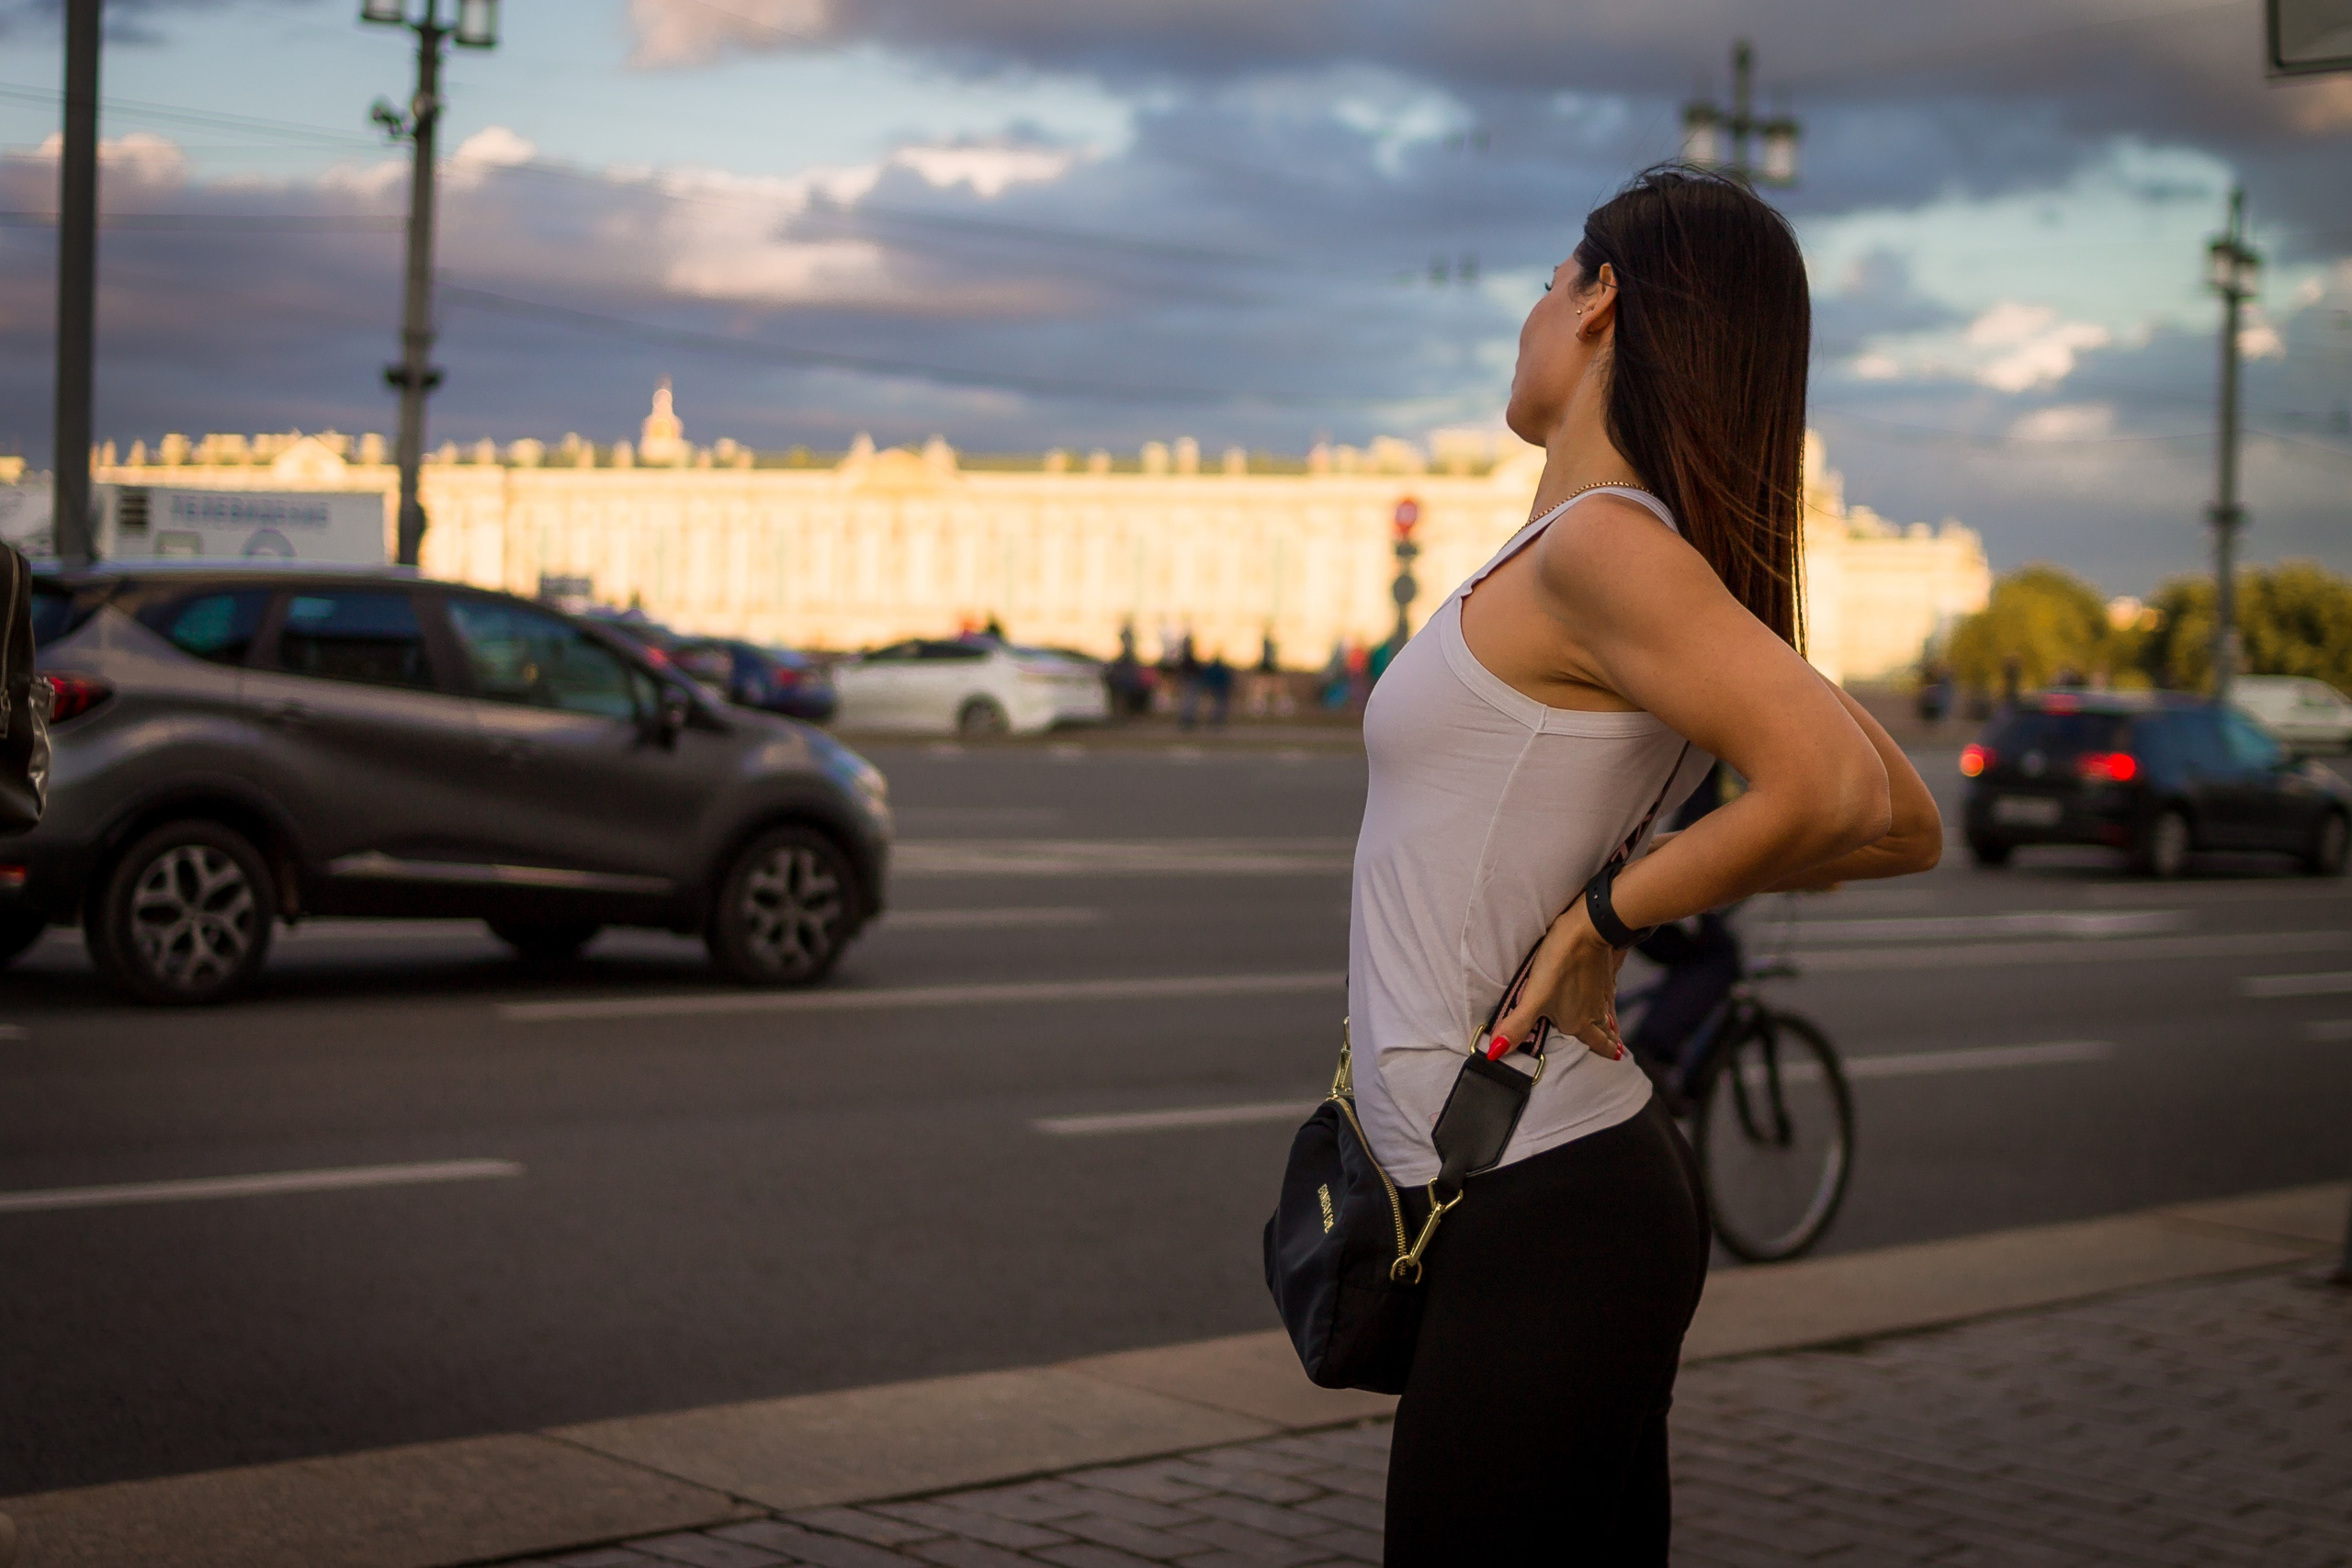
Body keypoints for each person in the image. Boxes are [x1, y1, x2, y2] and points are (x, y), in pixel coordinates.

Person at [1348, 166, 1941, 1564]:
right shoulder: (1590, 551)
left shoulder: (1610, 552)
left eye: (1550, 279)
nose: (1529, 311)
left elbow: (1863, 799)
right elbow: (1897, 815)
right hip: (1530, 1190)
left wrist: (1610, 910)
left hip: (1543, 1197)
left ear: (1601, 297)